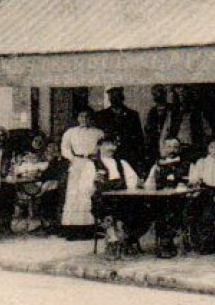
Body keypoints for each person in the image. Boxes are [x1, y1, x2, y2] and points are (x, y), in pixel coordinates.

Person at [90, 135, 145, 255]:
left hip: (122, 197)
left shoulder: (122, 163)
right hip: (102, 199)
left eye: (113, 145)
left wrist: (137, 184)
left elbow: (132, 181)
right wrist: (93, 180)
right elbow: (86, 187)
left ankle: (129, 239)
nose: (111, 148)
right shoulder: (92, 164)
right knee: (106, 206)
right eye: (107, 145)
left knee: (142, 207)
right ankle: (112, 239)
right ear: (99, 146)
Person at [58, 108, 104, 238]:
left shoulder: (98, 133)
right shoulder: (70, 132)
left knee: (88, 192)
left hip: (91, 163)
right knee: (74, 194)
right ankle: (72, 229)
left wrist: (98, 161)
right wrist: (73, 159)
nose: (84, 119)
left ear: (91, 118)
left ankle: (89, 228)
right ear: (77, 118)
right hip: (76, 162)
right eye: (81, 116)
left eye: (87, 116)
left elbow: (102, 148)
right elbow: (65, 148)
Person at [143, 137, 192, 256]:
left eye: (175, 147)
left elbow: (193, 181)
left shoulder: (187, 164)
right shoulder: (157, 165)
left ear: (179, 149)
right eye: (169, 147)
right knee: (157, 208)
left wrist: (185, 185)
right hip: (161, 198)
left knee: (173, 209)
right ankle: (165, 243)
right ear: (164, 148)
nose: (172, 150)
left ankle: (168, 242)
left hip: (181, 198)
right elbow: (149, 183)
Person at [93, 88, 148, 175]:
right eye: (112, 96)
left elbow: (139, 138)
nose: (114, 99)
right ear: (109, 98)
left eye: (117, 96)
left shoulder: (132, 115)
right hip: (108, 155)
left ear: (122, 97)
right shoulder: (101, 115)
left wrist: (140, 159)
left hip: (128, 155)